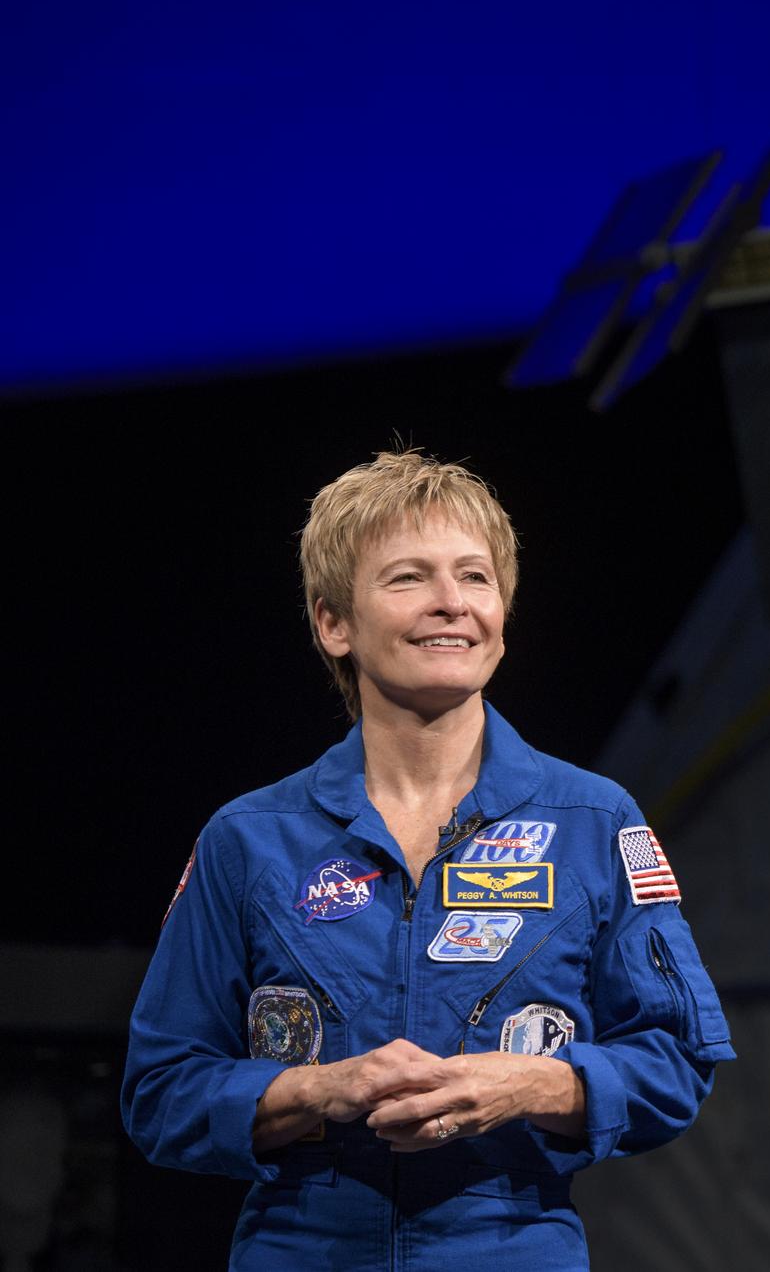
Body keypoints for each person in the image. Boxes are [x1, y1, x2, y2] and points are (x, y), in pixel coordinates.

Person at [122, 450, 734, 1268]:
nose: (453, 602)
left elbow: (677, 1059)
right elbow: (161, 1091)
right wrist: (321, 1090)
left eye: (475, 577)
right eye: (409, 578)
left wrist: (525, 1086)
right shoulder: (250, 837)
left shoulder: (593, 821)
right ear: (333, 624)